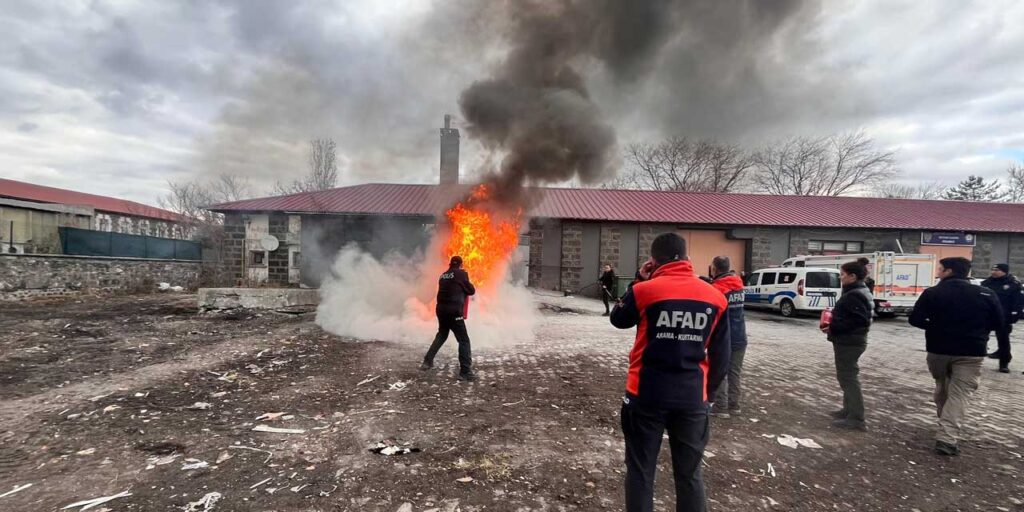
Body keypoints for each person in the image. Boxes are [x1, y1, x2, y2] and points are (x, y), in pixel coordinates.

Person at [610, 233, 731, 512]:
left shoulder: (645, 291)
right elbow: (721, 356)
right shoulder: (716, 297)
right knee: (689, 476)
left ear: (653, 261)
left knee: (640, 472)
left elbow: (618, 319)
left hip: (645, 396)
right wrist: (707, 396)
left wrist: (640, 280)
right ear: (687, 258)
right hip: (692, 400)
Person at [909, 257, 1007, 456]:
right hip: (971, 351)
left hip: (938, 350)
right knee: (959, 394)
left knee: (943, 386)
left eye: (940, 269)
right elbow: (1000, 324)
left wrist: (935, 327)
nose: (938, 271)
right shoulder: (986, 293)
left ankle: (945, 431)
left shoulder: (933, 293)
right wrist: (985, 335)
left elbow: (915, 319)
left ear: (949, 271)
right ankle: (947, 436)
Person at [821, 261, 873, 430]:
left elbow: (860, 320)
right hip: (849, 340)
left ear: (853, 276)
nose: (841, 277)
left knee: (848, 377)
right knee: (845, 375)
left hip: (850, 342)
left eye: (843, 274)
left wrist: (834, 326)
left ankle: (856, 418)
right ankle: (848, 409)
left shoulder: (855, 295)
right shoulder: (857, 291)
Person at [420, 256, 477, 381]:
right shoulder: (461, 274)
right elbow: (471, 290)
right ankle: (465, 372)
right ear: (461, 264)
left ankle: (427, 361)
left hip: (441, 311)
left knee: (442, 335)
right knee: (464, 341)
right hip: (454, 312)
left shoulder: (443, 275)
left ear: (450, 264)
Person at [709, 256, 747, 419]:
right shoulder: (738, 284)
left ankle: (720, 407)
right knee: (734, 372)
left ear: (715, 269)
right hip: (740, 336)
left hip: (723, 337)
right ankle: (734, 405)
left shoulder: (717, 289)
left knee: (720, 371)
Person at [982, 263, 1023, 373]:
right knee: (981, 337)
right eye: (993, 269)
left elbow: (1018, 302)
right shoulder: (986, 283)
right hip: (987, 316)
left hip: (1004, 317)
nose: (993, 272)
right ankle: (978, 357)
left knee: (1003, 340)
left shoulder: (1013, 284)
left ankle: (1004, 363)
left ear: (1004, 271)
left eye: (997, 270)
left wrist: (1015, 315)